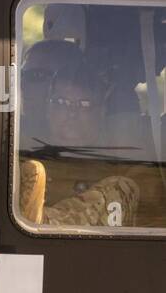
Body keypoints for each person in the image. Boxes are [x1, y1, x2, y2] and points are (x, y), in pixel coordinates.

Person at [16, 59, 162, 228]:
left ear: (101, 111)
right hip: (27, 247)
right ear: (48, 109)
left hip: (96, 247)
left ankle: (43, 222)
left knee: (121, 186)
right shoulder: (26, 149)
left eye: (84, 105)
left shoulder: (122, 157)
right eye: (61, 102)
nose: (71, 113)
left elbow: (152, 200)